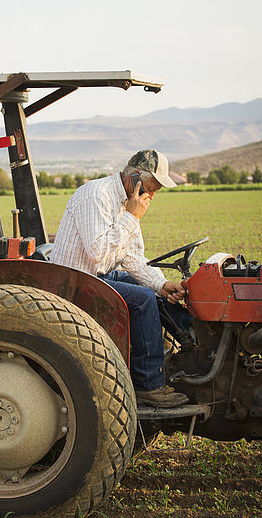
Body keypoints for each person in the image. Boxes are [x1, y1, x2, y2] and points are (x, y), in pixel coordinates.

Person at [50, 149, 191, 408]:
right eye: (151, 188)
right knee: (142, 299)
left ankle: (193, 344)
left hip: (98, 274)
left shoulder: (127, 203)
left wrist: (161, 285)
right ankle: (148, 386)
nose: (151, 196)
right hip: (73, 280)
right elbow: (98, 254)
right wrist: (131, 216)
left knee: (154, 293)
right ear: (134, 176)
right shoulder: (97, 195)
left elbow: (134, 259)